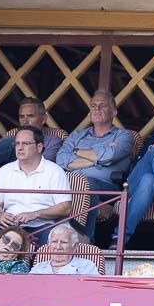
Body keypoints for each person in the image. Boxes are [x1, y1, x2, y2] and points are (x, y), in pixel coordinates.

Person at [56, 91, 134, 239]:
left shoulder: (124, 136)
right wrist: (97, 157)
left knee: (87, 183)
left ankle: (86, 238)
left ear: (114, 112)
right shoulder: (77, 135)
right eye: (93, 106)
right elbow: (60, 160)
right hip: (69, 183)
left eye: (102, 105)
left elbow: (111, 155)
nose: (96, 109)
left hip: (106, 187)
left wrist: (76, 152)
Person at [0, 127, 71, 246]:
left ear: (39, 147)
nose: (20, 147)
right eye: (17, 143)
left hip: (42, 226)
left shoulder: (55, 171)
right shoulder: (5, 170)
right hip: (10, 226)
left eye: (26, 143)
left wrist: (35, 214)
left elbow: (65, 208)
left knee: (52, 236)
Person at [113, 128, 154, 247]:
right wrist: (152, 148)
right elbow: (137, 162)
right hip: (136, 183)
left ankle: (119, 237)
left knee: (148, 180)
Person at [31, 224, 100, 275]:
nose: (58, 247)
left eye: (64, 242)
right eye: (54, 242)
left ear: (75, 246)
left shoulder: (86, 266)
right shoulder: (38, 268)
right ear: (49, 244)